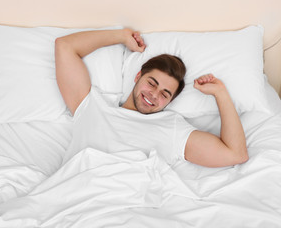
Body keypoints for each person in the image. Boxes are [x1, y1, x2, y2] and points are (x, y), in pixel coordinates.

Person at [55, 28, 248, 167]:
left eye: (165, 94)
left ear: (170, 102)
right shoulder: (92, 105)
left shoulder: (170, 127)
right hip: (74, 188)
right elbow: (65, 46)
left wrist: (220, 93)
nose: (154, 95)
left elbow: (235, 154)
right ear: (138, 76)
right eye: (152, 83)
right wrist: (121, 36)